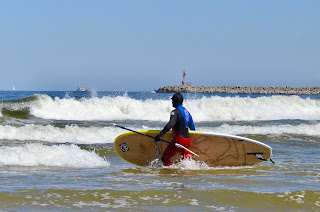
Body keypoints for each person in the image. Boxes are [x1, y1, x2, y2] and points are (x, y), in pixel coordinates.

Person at [155, 93, 195, 166]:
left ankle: (173, 174)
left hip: (179, 140)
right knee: (187, 164)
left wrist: (160, 134)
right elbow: (193, 129)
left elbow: (170, 124)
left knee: (165, 159)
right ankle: (187, 176)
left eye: (173, 100)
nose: (172, 102)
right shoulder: (187, 113)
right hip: (187, 141)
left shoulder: (175, 112)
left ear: (176, 101)